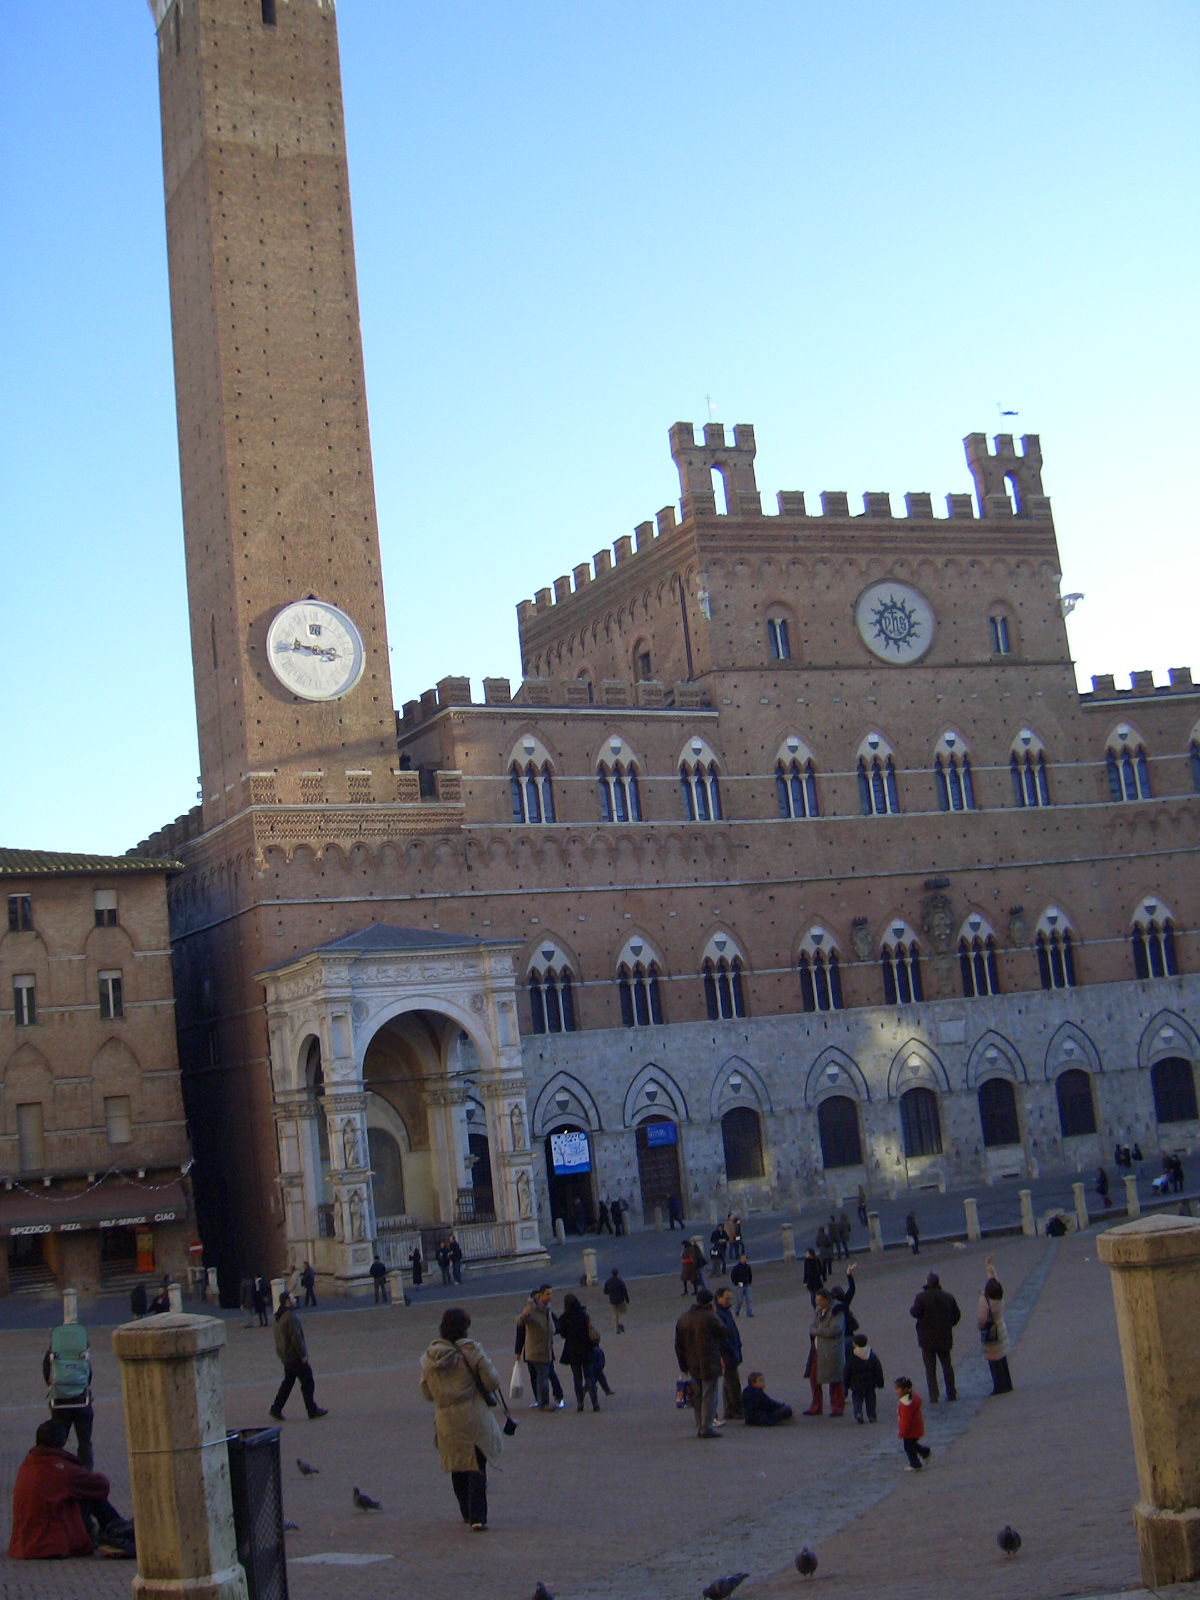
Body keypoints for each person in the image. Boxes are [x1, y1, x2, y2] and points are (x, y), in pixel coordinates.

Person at [419, 1306, 504, 1532]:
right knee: (476, 1464)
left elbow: (426, 1392)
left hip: (446, 1418)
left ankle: (466, 1511)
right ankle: (478, 1516)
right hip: (472, 1415)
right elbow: (492, 1381)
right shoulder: (471, 1350)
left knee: (457, 1464)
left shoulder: (430, 1356)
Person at [8, 1419, 134, 1559]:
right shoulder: (60, 1469)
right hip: (47, 1543)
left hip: (23, 1543)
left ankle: (116, 1527)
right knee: (89, 1494)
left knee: (81, 1490)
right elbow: (101, 1485)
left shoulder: (28, 1463)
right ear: (62, 1442)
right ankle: (116, 1529)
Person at [674, 1288, 726, 1439]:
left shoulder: (683, 1318)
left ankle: (699, 1425)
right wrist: (715, 1313)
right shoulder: (710, 1317)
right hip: (709, 1360)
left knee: (697, 1395)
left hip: (692, 1363)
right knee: (709, 1395)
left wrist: (683, 1365)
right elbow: (724, 1332)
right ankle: (706, 1426)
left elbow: (678, 1345)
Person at [268, 1291, 328, 1420]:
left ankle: (276, 1408)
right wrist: (303, 1354)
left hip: (286, 1357)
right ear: (287, 1301)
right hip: (294, 1356)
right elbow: (296, 1338)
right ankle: (311, 1409)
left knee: (288, 1382)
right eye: (292, 1298)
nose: (295, 1299)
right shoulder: (290, 1316)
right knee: (307, 1381)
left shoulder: (279, 1317)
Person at [43, 1320, 94, 1468]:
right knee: (85, 1441)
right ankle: (86, 1472)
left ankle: (58, 1468)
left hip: (59, 1402)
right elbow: (88, 1377)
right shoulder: (81, 1353)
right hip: (81, 1400)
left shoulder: (53, 1354)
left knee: (57, 1440)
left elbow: (47, 1375)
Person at [909, 1270, 961, 1403]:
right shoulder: (948, 1297)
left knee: (930, 1369)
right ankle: (951, 1392)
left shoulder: (921, 1297)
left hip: (927, 1339)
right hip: (944, 1336)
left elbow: (915, 1313)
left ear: (927, 1283)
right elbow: (956, 1315)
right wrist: (948, 1325)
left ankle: (934, 1395)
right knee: (947, 1366)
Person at [516, 1285, 560, 1410]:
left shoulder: (547, 1309)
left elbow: (552, 1328)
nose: (550, 1296)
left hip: (546, 1350)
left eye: (551, 1293)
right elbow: (520, 1322)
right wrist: (524, 1315)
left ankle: (542, 1401)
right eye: (548, 1294)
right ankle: (543, 1403)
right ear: (540, 1295)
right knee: (542, 1379)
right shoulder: (532, 1310)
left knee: (543, 1377)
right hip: (536, 1350)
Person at [557, 1292, 601, 1412]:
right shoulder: (583, 1314)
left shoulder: (565, 1317)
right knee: (589, 1376)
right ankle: (595, 1402)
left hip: (573, 1350)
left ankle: (580, 1403)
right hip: (587, 1348)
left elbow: (563, 1333)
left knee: (577, 1378)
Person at [804, 1290, 846, 1416]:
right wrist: (817, 1330)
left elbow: (834, 1330)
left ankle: (837, 1408)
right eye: (817, 1300)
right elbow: (812, 1326)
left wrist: (817, 1331)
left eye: (820, 1300)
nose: (818, 1303)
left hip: (831, 1351)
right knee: (814, 1377)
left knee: (835, 1379)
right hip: (817, 1349)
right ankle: (816, 1406)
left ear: (828, 1299)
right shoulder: (819, 1310)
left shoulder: (837, 1311)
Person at [979, 1256, 1013, 1395]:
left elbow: (982, 1319)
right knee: (1002, 1359)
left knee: (994, 1361)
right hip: (1001, 1328)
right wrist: (989, 1268)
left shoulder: (986, 1302)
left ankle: (999, 1387)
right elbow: (994, 1281)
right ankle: (1007, 1384)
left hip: (992, 1333)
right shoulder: (999, 1296)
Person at [713, 1287, 743, 1422]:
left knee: (729, 1382)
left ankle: (730, 1409)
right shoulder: (719, 1314)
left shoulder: (725, 1312)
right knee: (733, 1382)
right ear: (718, 1299)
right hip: (727, 1353)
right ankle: (734, 1409)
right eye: (726, 1299)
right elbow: (722, 1336)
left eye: (730, 1299)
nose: (729, 1301)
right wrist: (731, 1348)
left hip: (732, 1350)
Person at [844, 1331, 885, 1424]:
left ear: (855, 1345)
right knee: (870, 1399)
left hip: (856, 1383)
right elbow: (878, 1369)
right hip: (870, 1383)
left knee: (857, 1399)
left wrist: (846, 1384)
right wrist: (880, 1382)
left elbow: (847, 1371)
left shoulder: (852, 1358)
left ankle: (858, 1412)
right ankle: (872, 1415)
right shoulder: (872, 1356)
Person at [894, 1376, 932, 1471]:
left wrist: (901, 1433)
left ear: (905, 1390)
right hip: (916, 1427)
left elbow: (905, 1421)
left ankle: (915, 1463)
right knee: (913, 1445)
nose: (896, 1391)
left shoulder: (905, 1405)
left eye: (898, 1389)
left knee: (908, 1447)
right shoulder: (913, 1399)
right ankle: (925, 1453)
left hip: (910, 1430)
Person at [603, 1266, 630, 1333]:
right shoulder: (620, 1281)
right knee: (622, 1313)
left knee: (615, 1314)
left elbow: (605, 1292)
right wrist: (627, 1299)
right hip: (620, 1300)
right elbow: (624, 1291)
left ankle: (616, 1328)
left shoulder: (608, 1282)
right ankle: (621, 1325)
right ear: (617, 1273)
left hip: (612, 1300)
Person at [730, 1252, 754, 1317]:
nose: (745, 1259)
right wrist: (736, 1283)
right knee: (740, 1300)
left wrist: (749, 1282)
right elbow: (733, 1276)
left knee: (749, 1299)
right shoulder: (736, 1268)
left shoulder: (747, 1266)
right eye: (744, 1258)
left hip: (747, 1284)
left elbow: (750, 1275)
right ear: (740, 1259)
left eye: (745, 1258)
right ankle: (737, 1311)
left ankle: (749, 1313)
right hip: (740, 1284)